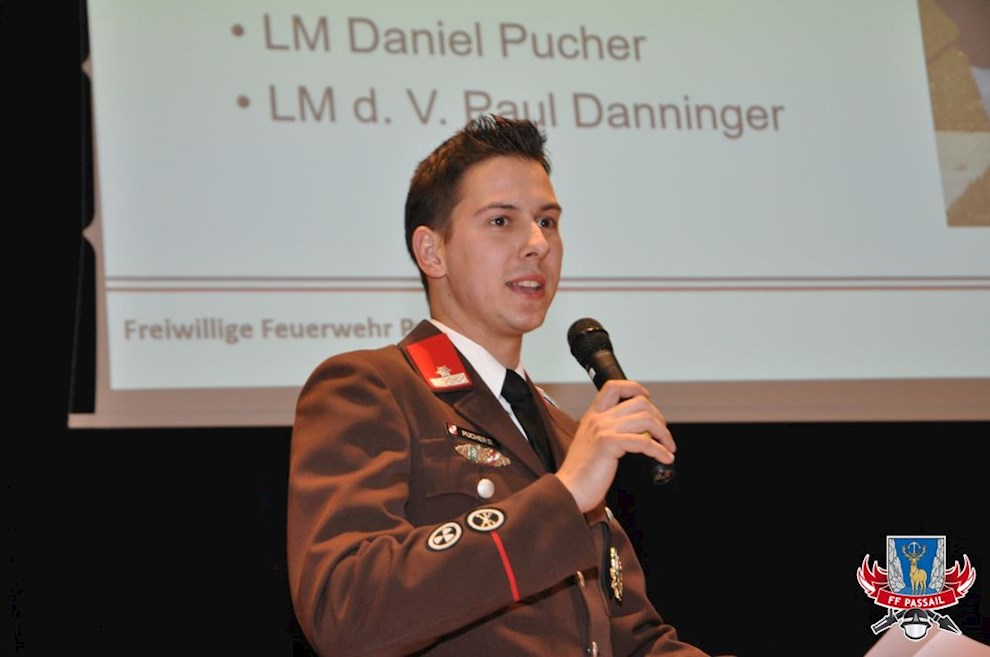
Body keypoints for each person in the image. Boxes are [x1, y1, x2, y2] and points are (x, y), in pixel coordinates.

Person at [287, 114, 713, 656]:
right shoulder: (375, 388)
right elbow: (345, 608)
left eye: (547, 221)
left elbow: (634, 643)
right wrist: (563, 498)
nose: (537, 244)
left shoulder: (566, 433)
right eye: (500, 221)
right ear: (431, 252)